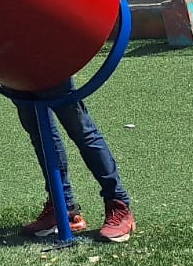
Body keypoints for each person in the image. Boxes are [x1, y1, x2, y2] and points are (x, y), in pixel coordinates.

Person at [16, 83, 134, 242]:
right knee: (39, 132)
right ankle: (62, 206)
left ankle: (118, 205)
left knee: (80, 129)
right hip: (14, 72)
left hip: (51, 70)